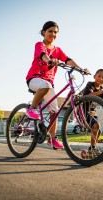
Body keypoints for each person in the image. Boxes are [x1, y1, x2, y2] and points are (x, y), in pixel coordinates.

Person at [26, 21, 85, 149]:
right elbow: (43, 56)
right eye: (50, 31)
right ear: (43, 32)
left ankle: (52, 139)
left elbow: (68, 60)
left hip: (48, 84)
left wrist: (81, 69)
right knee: (46, 85)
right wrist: (50, 60)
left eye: (55, 32)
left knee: (55, 111)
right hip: (34, 79)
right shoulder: (39, 45)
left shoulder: (58, 50)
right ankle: (31, 108)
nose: (53, 34)